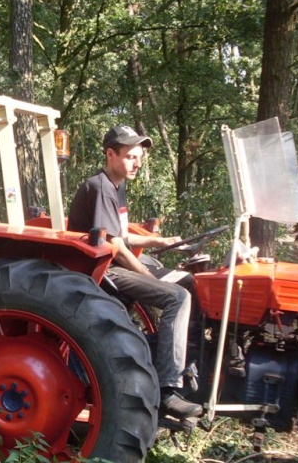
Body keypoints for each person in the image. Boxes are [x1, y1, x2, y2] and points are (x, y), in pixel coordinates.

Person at [68, 125, 203, 419]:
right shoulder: (101, 186)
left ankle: (188, 362)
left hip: (111, 261)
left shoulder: (116, 186)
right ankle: (168, 388)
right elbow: (115, 246)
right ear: (110, 154)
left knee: (189, 281)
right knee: (176, 297)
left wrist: (158, 241)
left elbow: (122, 235)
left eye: (139, 157)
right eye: (130, 156)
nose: (137, 163)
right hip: (100, 271)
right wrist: (148, 277)